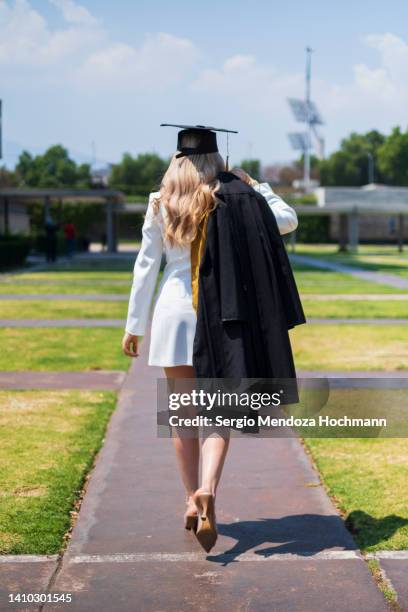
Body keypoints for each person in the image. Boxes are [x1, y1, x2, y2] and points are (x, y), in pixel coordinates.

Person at [122, 125, 301, 552]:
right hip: (217, 314)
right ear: (216, 159)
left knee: (182, 416)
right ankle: (208, 490)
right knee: (220, 412)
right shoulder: (236, 198)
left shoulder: (159, 202)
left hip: (171, 315)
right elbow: (287, 221)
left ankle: (189, 498)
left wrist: (134, 325)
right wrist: (258, 185)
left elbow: (146, 267)